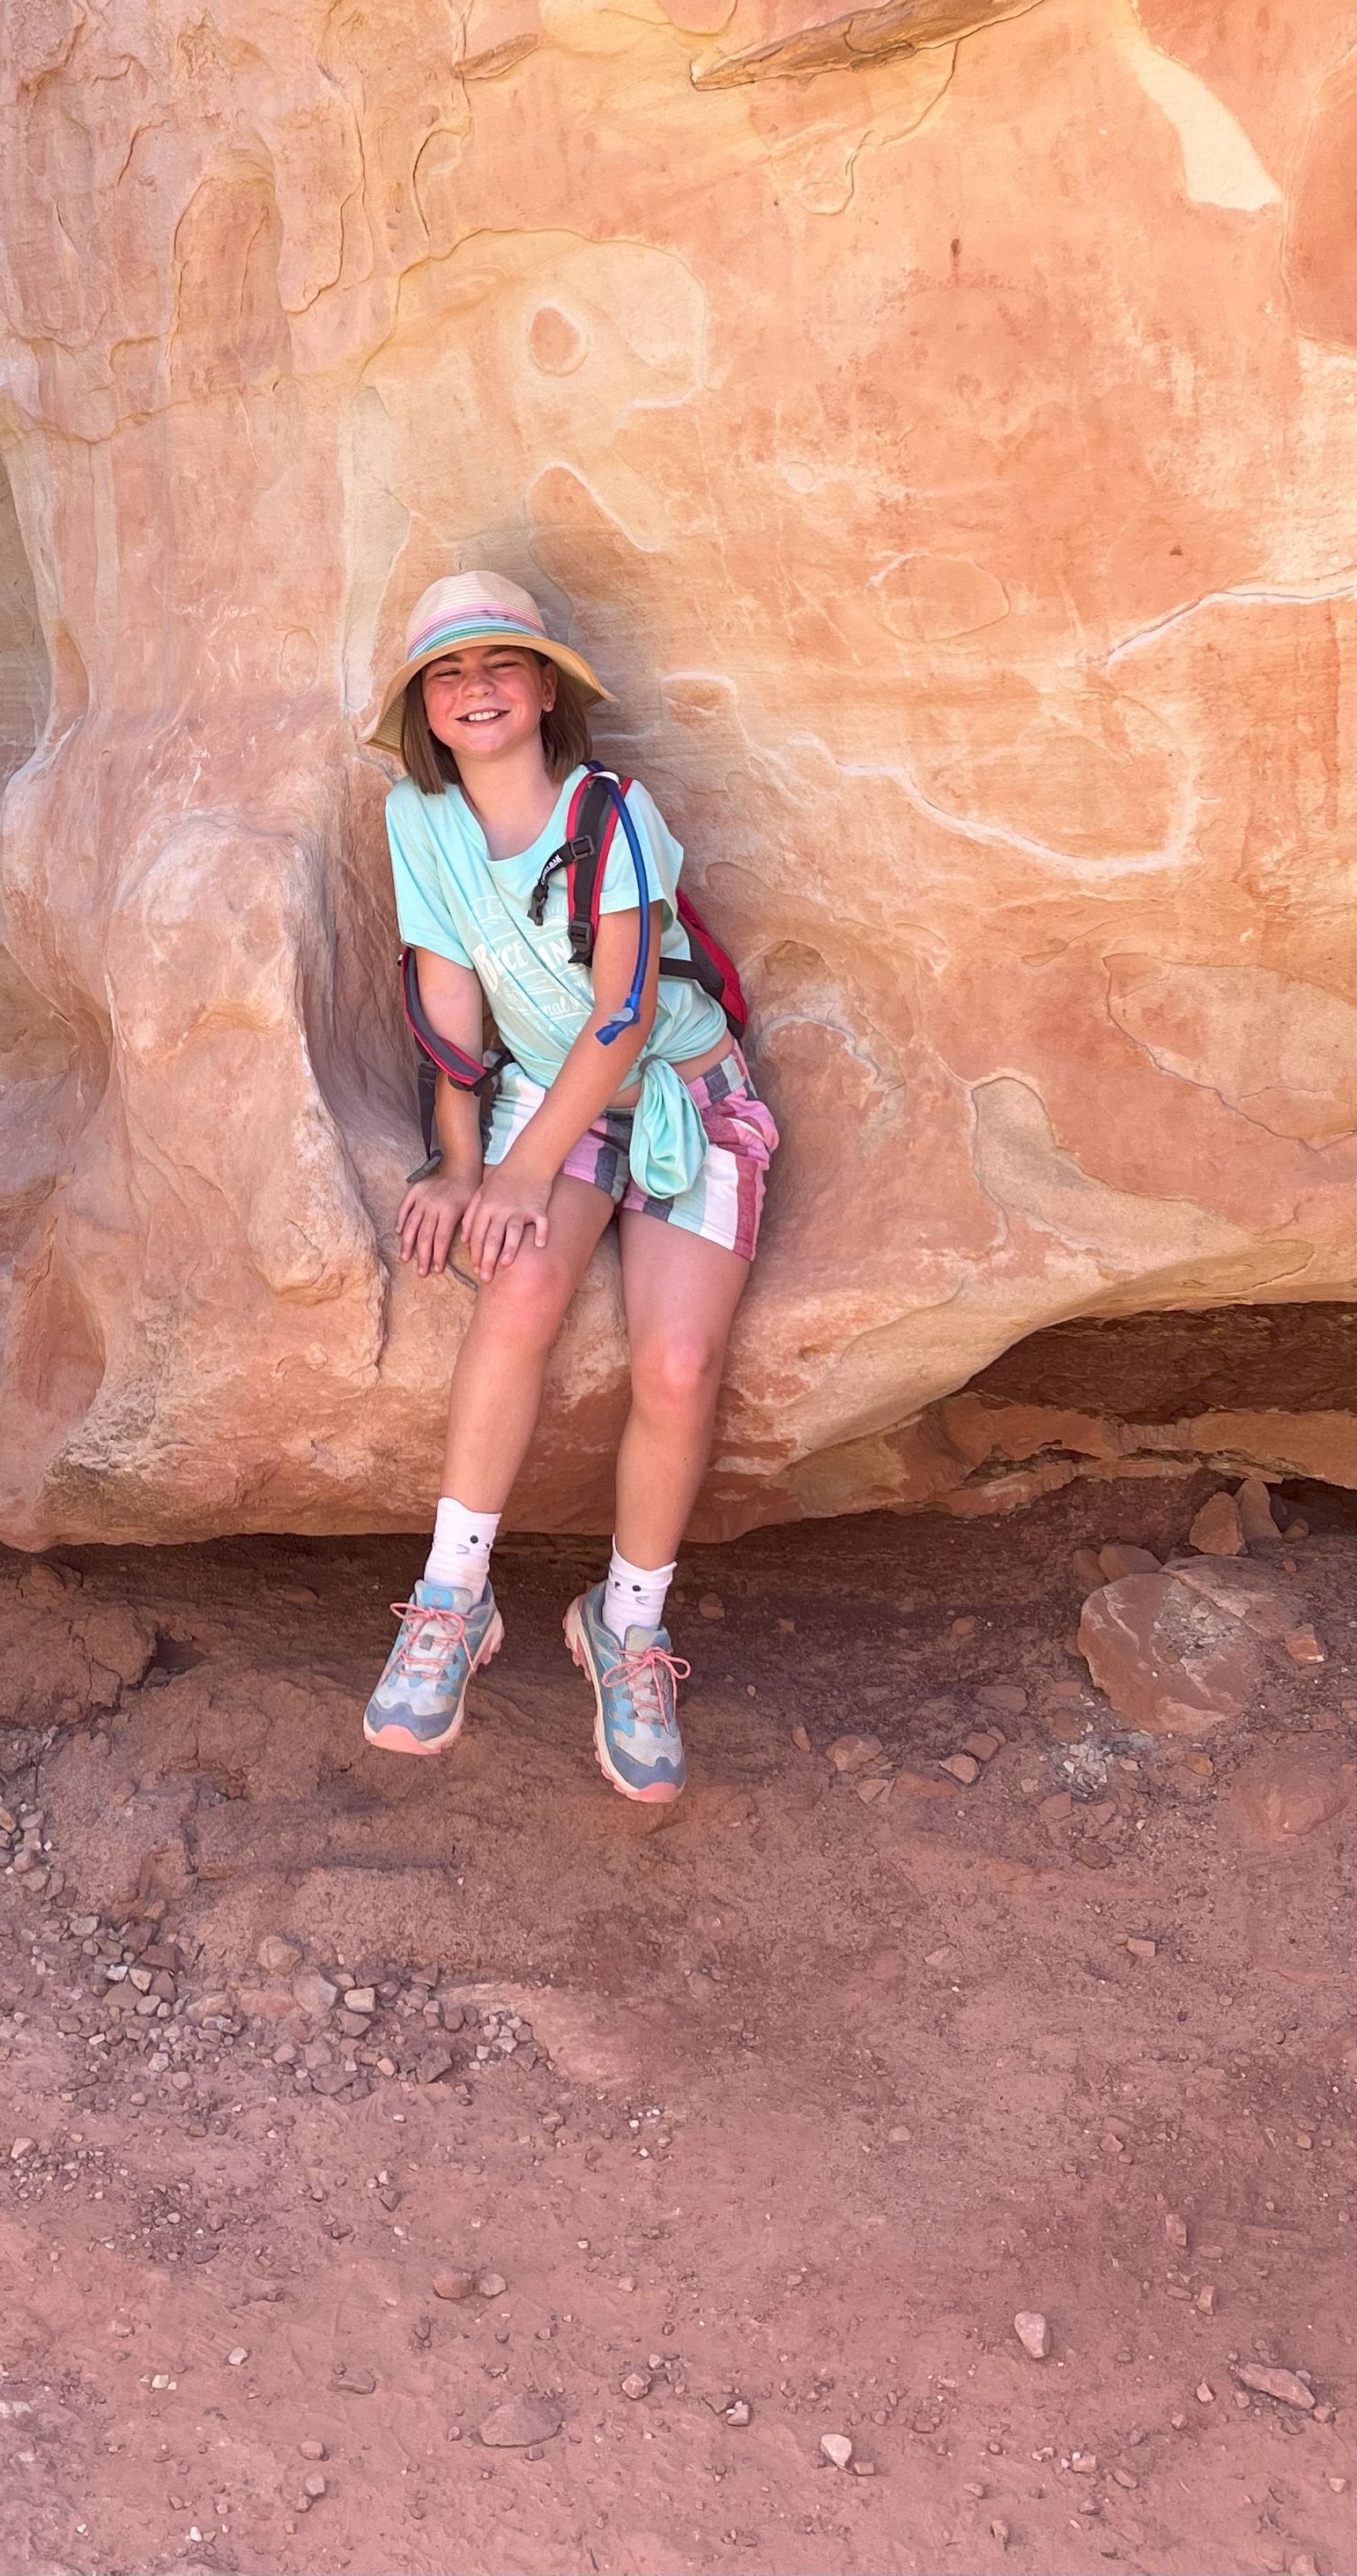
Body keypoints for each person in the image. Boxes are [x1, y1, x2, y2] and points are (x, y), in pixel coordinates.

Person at [361, 572, 777, 1806]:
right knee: (522, 1281)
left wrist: (522, 1169)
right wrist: (460, 1164)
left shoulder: (612, 810)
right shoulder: (419, 821)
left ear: (546, 690)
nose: (476, 689)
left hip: (682, 1092)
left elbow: (627, 1011)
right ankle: (452, 1598)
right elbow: (447, 999)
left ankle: (627, 1623)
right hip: (550, 1096)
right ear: (426, 712)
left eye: (502, 664)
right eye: (448, 674)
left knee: (679, 1365)